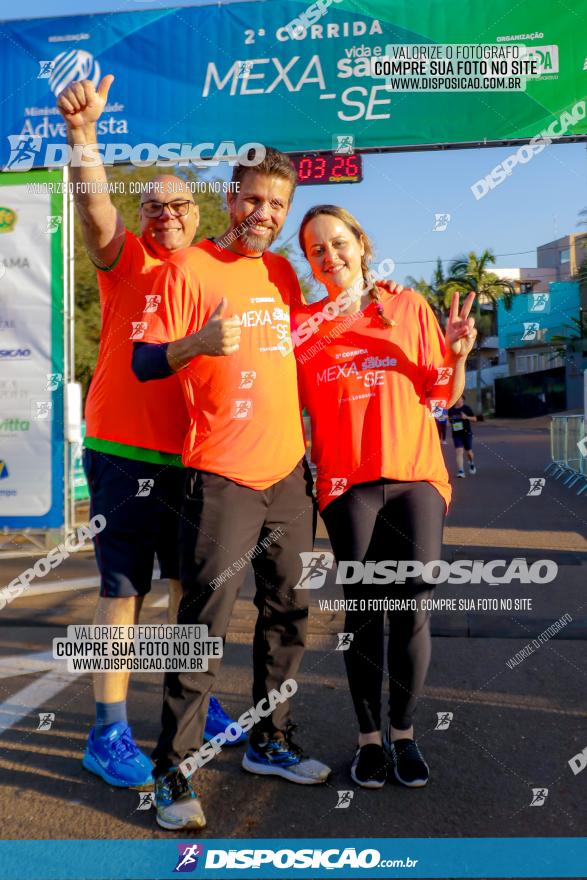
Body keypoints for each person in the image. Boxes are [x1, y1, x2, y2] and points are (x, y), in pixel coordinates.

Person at [133, 147, 334, 831]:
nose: (264, 215)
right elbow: (143, 360)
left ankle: (269, 740)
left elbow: (307, 356)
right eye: (253, 200)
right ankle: (172, 772)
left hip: (287, 476)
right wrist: (196, 343)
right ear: (231, 195)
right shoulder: (185, 268)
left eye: (277, 205)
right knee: (200, 628)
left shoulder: (281, 272)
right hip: (218, 477)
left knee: (288, 613)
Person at [56, 74, 241, 790]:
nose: (165, 213)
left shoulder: (212, 270)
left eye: (178, 204)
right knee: (122, 590)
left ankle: (194, 701)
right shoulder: (127, 260)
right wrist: (82, 138)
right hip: (124, 450)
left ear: (197, 216)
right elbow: (96, 209)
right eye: (154, 204)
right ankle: (106, 733)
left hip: (197, 457)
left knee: (192, 586)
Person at [293, 205, 477, 789]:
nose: (330, 256)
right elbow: (281, 402)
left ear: (361, 242)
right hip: (347, 485)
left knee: (412, 608)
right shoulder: (303, 325)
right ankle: (368, 741)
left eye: (339, 242)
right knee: (366, 612)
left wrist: (457, 354)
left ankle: (405, 734)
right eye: (317, 250)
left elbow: (442, 392)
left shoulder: (407, 305)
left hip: (417, 477)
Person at [448, 395, 477, 477]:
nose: (457, 400)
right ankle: (461, 471)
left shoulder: (466, 408)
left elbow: (475, 419)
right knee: (459, 451)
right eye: (456, 398)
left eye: (459, 398)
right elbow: (450, 420)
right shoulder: (451, 409)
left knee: (469, 452)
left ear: (463, 400)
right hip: (456, 434)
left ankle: (471, 462)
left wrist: (466, 417)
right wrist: (448, 421)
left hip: (467, 433)